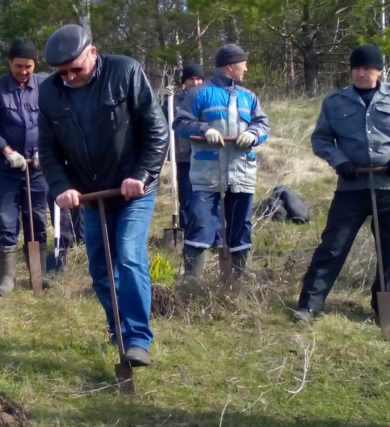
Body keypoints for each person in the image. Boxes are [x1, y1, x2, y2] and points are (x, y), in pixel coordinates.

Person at [38, 24, 168, 366]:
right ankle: (119, 331)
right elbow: (48, 150)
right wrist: (61, 186)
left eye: (75, 68)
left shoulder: (125, 71)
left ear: (92, 52)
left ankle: (138, 338)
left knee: (127, 254)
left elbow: (156, 129)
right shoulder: (50, 93)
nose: (69, 76)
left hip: (133, 191)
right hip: (92, 195)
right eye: (62, 72)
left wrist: (140, 174)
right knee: (100, 269)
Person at [292, 44, 390, 322]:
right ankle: (309, 305)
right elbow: (321, 138)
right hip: (351, 186)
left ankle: (385, 307)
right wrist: (338, 160)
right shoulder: (335, 101)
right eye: (356, 68)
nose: (361, 73)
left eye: (367, 68)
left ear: (379, 70)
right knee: (332, 245)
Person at [0, 38, 76, 296]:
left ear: (35, 65)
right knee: (6, 220)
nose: (23, 71)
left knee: (37, 219)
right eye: (19, 66)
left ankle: (38, 275)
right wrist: (7, 151)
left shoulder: (46, 85)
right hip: (6, 169)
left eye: (28, 66)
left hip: (38, 169)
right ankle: (6, 279)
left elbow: (59, 118)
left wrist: (48, 151)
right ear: (10, 63)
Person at [172, 44, 270, 280]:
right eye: (243, 63)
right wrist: (204, 129)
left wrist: (254, 133)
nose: (246, 68)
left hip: (241, 172)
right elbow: (180, 123)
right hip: (207, 172)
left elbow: (263, 124)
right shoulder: (199, 94)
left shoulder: (248, 97)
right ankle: (192, 281)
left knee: (241, 225)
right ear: (230, 65)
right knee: (200, 222)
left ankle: (235, 281)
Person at [162, 63, 206, 235]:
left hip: (205, 156)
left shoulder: (208, 98)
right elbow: (161, 120)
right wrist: (166, 103)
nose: (195, 83)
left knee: (206, 197)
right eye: (191, 79)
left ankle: (208, 233)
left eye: (199, 79)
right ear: (184, 82)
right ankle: (187, 234)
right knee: (186, 198)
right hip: (183, 156)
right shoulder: (175, 101)